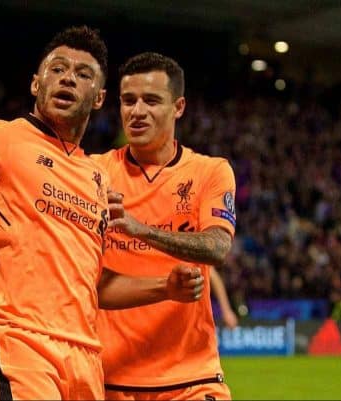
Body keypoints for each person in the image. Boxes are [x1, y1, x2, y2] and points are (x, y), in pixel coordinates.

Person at [0, 28, 204, 401]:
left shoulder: (96, 177)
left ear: (98, 99)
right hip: (19, 340)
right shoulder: (1, 138)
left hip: (84, 357)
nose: (68, 77)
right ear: (36, 84)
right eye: (57, 69)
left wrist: (165, 287)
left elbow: (92, 284)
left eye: (83, 74)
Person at [97, 52, 237, 400]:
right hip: (111, 378)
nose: (137, 111)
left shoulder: (210, 172)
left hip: (192, 377)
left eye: (151, 101)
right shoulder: (93, 174)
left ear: (179, 107)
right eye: (128, 101)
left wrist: (140, 229)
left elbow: (217, 248)